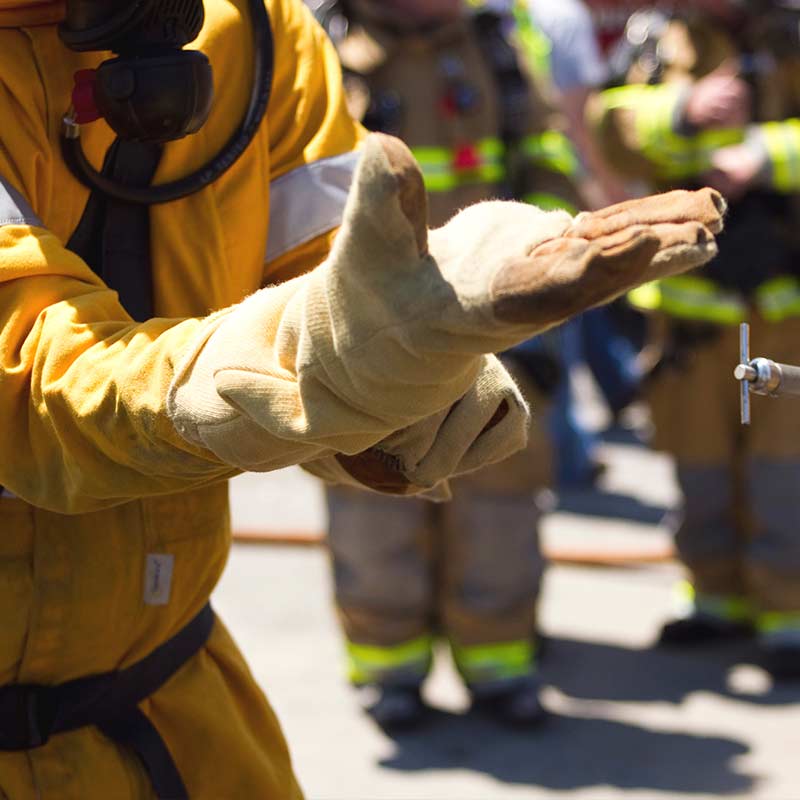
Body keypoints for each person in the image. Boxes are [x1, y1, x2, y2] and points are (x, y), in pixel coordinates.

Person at [0, 0, 725, 796]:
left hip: (179, 711)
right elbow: (34, 389)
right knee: (380, 557)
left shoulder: (258, 31)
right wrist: (317, 368)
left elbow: (326, 272)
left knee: (495, 524)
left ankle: (495, 665)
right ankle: (393, 672)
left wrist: (423, 369)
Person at [315, 0, 586, 729]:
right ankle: (389, 671)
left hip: (493, 332)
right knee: (372, 509)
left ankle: (499, 666)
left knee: (499, 509)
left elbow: (554, 162)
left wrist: (544, 260)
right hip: (367, 337)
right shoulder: (318, 43)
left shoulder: (497, 48)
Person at [586, 0, 800, 676]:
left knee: (783, 475)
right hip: (690, 316)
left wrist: (767, 154)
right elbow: (609, 128)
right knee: (698, 468)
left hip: (784, 311)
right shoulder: (653, 42)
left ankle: (788, 618)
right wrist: (678, 114)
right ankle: (715, 602)